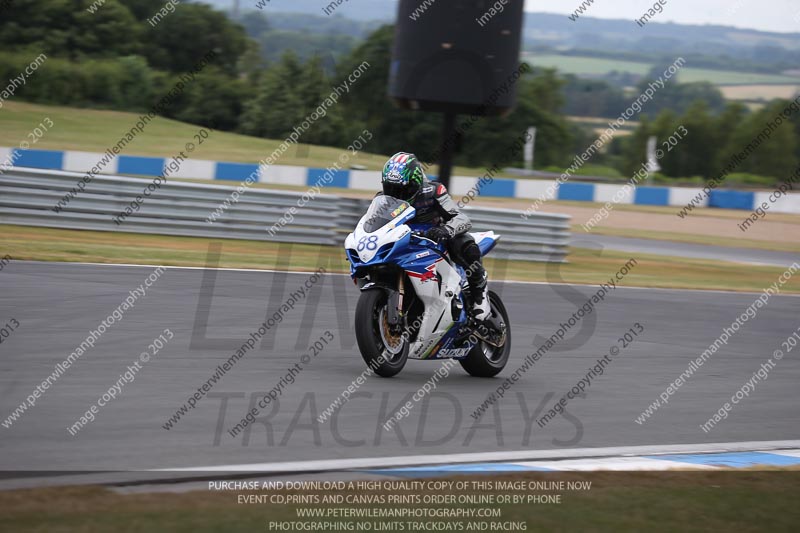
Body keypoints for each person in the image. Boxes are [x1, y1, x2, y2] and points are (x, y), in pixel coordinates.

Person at [380, 152, 490, 320]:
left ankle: (479, 292)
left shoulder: (433, 191)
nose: (397, 194)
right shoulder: (382, 200)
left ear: (415, 183)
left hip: (435, 240)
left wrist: (446, 230)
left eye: (403, 189)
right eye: (391, 188)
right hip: (405, 242)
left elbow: (461, 218)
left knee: (463, 241)